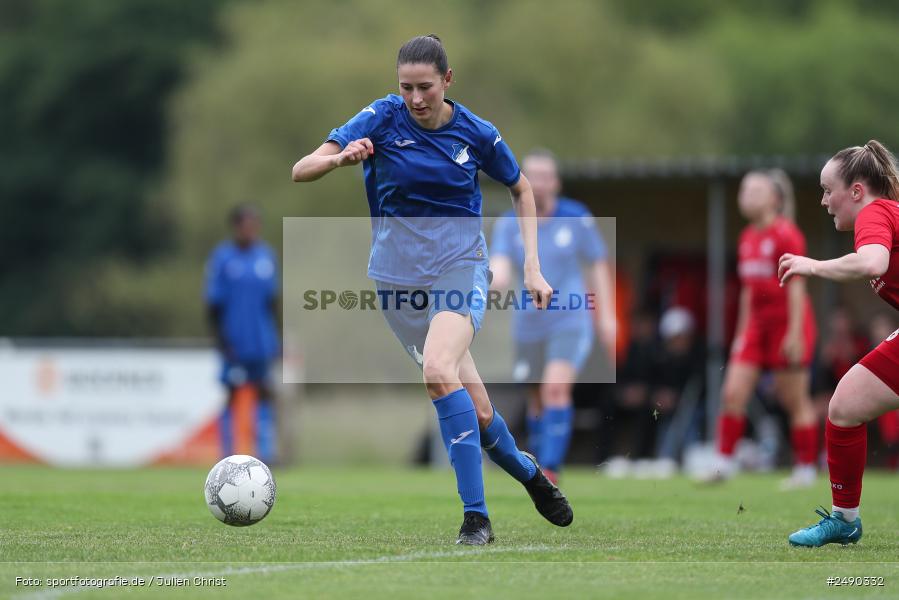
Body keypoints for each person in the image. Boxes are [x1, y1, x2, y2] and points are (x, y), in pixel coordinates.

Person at [291, 35, 572, 545]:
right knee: (479, 411)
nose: (415, 99)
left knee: (439, 372)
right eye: (406, 88)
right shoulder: (379, 116)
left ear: (448, 80)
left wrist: (533, 266)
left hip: (459, 267)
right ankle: (532, 476)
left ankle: (476, 518)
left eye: (425, 87)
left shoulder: (476, 132)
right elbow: (301, 169)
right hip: (397, 281)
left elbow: (521, 188)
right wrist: (338, 160)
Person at [780, 139, 899, 547]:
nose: (823, 200)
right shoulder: (885, 213)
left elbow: (872, 263)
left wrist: (812, 265)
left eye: (828, 189)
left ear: (857, 191)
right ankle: (844, 519)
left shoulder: (874, 213)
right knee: (845, 405)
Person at [489, 149, 615, 483]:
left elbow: (598, 265)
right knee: (536, 401)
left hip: (570, 320)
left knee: (555, 389)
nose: (539, 184)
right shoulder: (508, 224)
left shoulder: (577, 218)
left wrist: (607, 316)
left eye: (546, 177)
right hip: (528, 325)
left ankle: (550, 470)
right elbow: (499, 265)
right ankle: (541, 466)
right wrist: (493, 279)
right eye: (533, 176)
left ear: (556, 183)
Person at [707, 169, 819, 489]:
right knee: (732, 392)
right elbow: (748, 290)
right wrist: (741, 334)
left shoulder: (786, 234)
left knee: (793, 399)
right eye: (743, 191)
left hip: (787, 324)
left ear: (774, 198)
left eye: (755, 191)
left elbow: (798, 287)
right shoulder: (746, 237)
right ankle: (723, 463)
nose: (746, 197)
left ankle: (806, 468)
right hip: (756, 328)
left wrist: (795, 333)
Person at [205, 204, 280, 463]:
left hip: (261, 340)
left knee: (264, 393)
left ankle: (266, 454)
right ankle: (227, 454)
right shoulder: (223, 258)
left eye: (254, 224)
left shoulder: (266, 256)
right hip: (234, 341)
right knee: (231, 394)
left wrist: (276, 339)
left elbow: (273, 302)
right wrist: (221, 340)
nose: (251, 230)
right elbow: (213, 304)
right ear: (236, 227)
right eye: (246, 224)